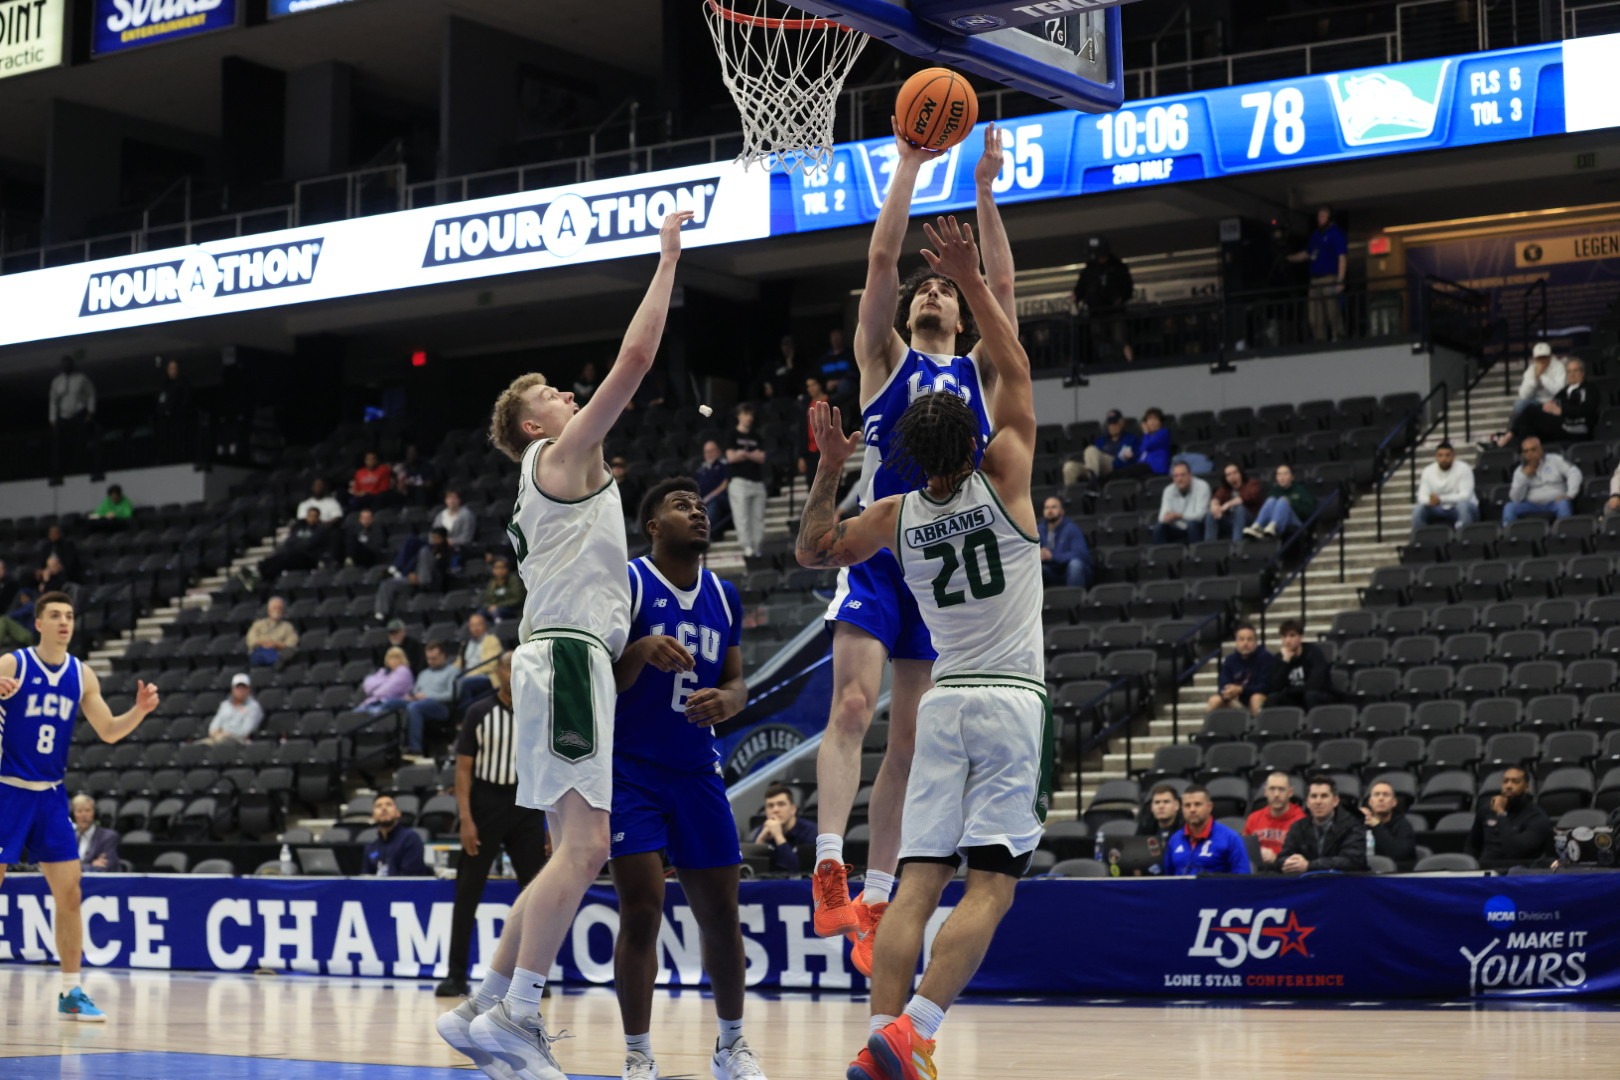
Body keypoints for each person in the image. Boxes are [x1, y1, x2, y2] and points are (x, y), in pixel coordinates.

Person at [442, 209, 693, 1080]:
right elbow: (634, 363)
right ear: (537, 427)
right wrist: (666, 259)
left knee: (562, 855)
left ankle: (483, 1005)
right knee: (588, 851)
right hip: (571, 658)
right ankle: (516, 1014)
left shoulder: (553, 471)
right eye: (551, 393)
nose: (568, 394)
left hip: (553, 657)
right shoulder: (562, 456)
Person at [795, 210, 1036, 1080]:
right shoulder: (1007, 473)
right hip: (991, 675)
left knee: (914, 858)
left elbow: (814, 546)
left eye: (944, 293)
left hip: (918, 608)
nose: (930, 295)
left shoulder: (901, 508)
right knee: (989, 881)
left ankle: (877, 1013)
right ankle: (911, 1020)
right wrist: (971, 247)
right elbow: (1004, 338)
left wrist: (828, 468)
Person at [610, 478, 762, 1080]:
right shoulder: (628, 581)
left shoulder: (724, 595)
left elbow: (737, 679)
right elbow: (604, 677)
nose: (697, 513)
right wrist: (641, 648)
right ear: (653, 525)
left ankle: (731, 1047)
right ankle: (639, 1056)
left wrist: (730, 701)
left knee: (722, 914)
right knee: (642, 909)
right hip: (631, 770)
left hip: (697, 770)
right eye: (681, 506)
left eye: (701, 506)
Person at [0, 591, 160, 1021]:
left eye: (69, 615)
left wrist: (139, 712)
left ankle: (71, 990)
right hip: (6, 790)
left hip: (50, 795)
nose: (64, 622)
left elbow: (108, 730)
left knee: (70, 893)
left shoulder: (82, 674)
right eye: (54, 615)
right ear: (39, 624)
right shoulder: (12, 664)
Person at [437, 651, 550, 999]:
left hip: (527, 803)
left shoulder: (539, 711)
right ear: (498, 672)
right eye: (508, 665)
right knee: (467, 891)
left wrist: (550, 820)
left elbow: (547, 766)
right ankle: (456, 975)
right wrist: (467, 820)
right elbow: (463, 770)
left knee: (534, 893)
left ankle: (532, 978)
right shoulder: (478, 712)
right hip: (486, 804)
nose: (514, 670)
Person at [1491, 357, 1599, 449]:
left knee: (1530, 410)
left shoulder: (1589, 388)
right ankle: (1509, 448)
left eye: (1575, 371)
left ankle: (1506, 438)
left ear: (1582, 373)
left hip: (1576, 427)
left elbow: (1588, 409)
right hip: (1561, 425)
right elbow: (1554, 403)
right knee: (1529, 428)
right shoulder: (1565, 390)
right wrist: (1548, 406)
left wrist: (1561, 411)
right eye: (1569, 371)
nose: (1572, 374)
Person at [1271, 775, 1368, 874]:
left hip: (1342, 884)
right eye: (1314, 796)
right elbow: (1281, 859)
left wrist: (1309, 865)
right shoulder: (1298, 827)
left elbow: (1353, 861)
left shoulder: (1353, 825)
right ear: (1307, 802)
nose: (1318, 801)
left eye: (1324, 796)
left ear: (1335, 801)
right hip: (1308, 885)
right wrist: (1288, 862)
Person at [1465, 764, 1553, 868]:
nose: (1509, 786)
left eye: (1515, 782)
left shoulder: (1537, 816)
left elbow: (1516, 851)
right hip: (1486, 871)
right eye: (1505, 781)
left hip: (1519, 873)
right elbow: (1472, 846)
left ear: (1526, 787)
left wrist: (1501, 814)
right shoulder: (1486, 811)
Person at [1288, 206, 1347, 342]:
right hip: (1314, 280)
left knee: (1332, 310)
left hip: (1329, 278)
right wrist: (1290, 258)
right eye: (1319, 216)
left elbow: (1342, 257)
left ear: (1329, 218)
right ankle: (1319, 338)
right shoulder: (1316, 235)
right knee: (1314, 313)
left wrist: (1340, 280)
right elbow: (1307, 254)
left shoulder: (1335, 233)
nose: (1319, 219)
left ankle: (1339, 335)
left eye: (1323, 216)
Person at [1163, 785, 1251, 875]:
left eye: (1197, 804)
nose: (1192, 809)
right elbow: (1168, 878)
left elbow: (1243, 878)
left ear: (1209, 807)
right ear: (1182, 809)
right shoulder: (1175, 839)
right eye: (1187, 805)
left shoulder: (1230, 838)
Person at [1072, 238, 1134, 363]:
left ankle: (1127, 363)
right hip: (1096, 312)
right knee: (1099, 340)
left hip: (1114, 311)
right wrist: (1077, 297)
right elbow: (1080, 288)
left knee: (1119, 339)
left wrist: (1120, 298)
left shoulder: (1117, 267)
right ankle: (1105, 362)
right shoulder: (1090, 270)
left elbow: (1127, 287)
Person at [1250, 620, 1333, 712]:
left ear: (1301, 637)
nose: (1288, 641)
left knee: (1310, 695)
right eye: (1284, 636)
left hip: (1318, 695)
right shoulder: (1280, 658)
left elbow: (1316, 683)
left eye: (1292, 635)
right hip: (1294, 697)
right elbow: (1275, 687)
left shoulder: (1314, 653)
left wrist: (1290, 690)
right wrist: (1285, 662)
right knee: (1273, 699)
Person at [374, 525, 454, 619]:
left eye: (437, 538)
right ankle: (381, 615)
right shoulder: (429, 549)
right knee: (386, 584)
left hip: (433, 581)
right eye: (433, 538)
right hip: (416, 580)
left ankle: (421, 580)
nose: (434, 541)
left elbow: (444, 570)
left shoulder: (448, 552)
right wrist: (410, 575)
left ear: (443, 539)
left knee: (424, 551)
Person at [1501, 436, 1581, 524]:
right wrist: (1524, 476)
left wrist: (1570, 494)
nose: (1530, 453)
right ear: (1523, 454)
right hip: (1531, 504)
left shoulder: (1555, 460)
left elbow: (1574, 472)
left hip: (1555, 502)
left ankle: (1565, 533)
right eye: (1526, 451)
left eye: (1533, 449)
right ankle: (1509, 535)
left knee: (1563, 505)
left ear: (1541, 449)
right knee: (1509, 507)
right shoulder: (1520, 471)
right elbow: (1515, 498)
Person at [725, 404, 768, 558]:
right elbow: (731, 457)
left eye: (751, 415)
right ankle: (747, 547)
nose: (749, 418)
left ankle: (757, 548)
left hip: (756, 481)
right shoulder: (732, 434)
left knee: (758, 518)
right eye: (746, 414)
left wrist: (744, 454)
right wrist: (751, 455)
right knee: (742, 517)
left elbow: (761, 457)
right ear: (739, 415)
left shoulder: (756, 436)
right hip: (739, 481)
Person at [402, 642, 459, 755]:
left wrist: (428, 696)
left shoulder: (453, 671)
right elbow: (415, 691)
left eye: (434, 658)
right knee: (394, 704)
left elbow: (452, 695)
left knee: (415, 707)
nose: (431, 662)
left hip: (441, 707)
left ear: (443, 655)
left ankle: (415, 748)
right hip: (420, 703)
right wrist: (410, 696)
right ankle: (398, 746)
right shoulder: (424, 673)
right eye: (428, 659)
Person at [1205, 623, 1274, 716]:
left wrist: (1242, 690)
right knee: (1214, 700)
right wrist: (1228, 691)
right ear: (1236, 642)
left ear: (1256, 642)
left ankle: (1258, 729)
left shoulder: (1265, 657)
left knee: (1255, 698)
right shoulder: (1230, 660)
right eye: (1241, 639)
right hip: (1236, 701)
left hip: (1258, 697)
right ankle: (1208, 729)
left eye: (1249, 639)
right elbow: (1223, 684)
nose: (1245, 643)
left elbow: (1265, 686)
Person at [1243, 771, 1305, 866]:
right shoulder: (1253, 818)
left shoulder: (1300, 820)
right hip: (1258, 873)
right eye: (1272, 789)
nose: (1276, 794)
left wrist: (1276, 859)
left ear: (1290, 792)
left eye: (1281, 789)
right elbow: (1244, 850)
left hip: (1286, 874)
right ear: (1265, 792)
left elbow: (1301, 858)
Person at [257, 506, 333, 583]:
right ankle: (261, 574)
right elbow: (289, 541)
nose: (311, 518)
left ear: (318, 518)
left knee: (285, 558)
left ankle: (265, 577)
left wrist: (297, 544)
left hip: (308, 558)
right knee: (273, 559)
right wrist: (298, 544)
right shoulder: (299, 527)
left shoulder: (321, 530)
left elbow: (310, 544)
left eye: (314, 516)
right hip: (293, 554)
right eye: (309, 516)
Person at [1412, 441, 1477, 530]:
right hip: (1438, 508)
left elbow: (1465, 496)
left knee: (1463, 506)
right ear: (1436, 457)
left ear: (1453, 456)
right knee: (1418, 509)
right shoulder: (1428, 471)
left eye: (1447, 455)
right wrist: (1429, 500)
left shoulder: (1464, 468)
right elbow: (1421, 497)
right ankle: (1419, 538)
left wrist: (1441, 499)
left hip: (1460, 508)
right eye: (1440, 455)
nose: (1444, 459)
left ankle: (1463, 538)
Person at [49, 355, 96, 476]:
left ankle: (80, 469)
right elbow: (53, 401)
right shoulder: (57, 381)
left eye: (68, 364)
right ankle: (60, 471)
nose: (66, 366)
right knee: (62, 446)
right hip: (63, 417)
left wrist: (90, 412)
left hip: (79, 414)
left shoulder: (81, 378)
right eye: (64, 364)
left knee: (79, 444)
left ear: (72, 365)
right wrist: (53, 419)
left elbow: (91, 394)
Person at [1243, 464, 1317, 539]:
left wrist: (1291, 504)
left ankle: (1274, 526)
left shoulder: (1300, 489)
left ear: (1292, 476)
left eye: (1285, 474)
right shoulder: (1274, 490)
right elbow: (1268, 510)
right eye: (1279, 474)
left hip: (1296, 522)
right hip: (1274, 523)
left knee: (1282, 501)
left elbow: (1310, 510)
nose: (1282, 477)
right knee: (1271, 500)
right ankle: (1256, 526)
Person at [756, 784, 818, 872]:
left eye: (781, 804)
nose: (775, 810)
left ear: (793, 809)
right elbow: (752, 869)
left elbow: (797, 870)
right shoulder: (762, 830)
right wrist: (761, 839)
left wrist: (778, 836)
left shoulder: (810, 831)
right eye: (770, 806)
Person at [1066, 408, 1138, 486]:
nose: (1112, 427)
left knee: (1091, 449)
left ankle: (1093, 484)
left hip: (1113, 465)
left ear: (1121, 423)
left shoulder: (1131, 439)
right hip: (1096, 468)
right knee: (1069, 467)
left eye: (1115, 423)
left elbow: (1134, 459)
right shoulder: (1101, 440)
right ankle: (1072, 494)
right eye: (1110, 424)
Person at [363, 794, 427, 876]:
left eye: (389, 804)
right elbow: (365, 879)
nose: (384, 808)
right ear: (373, 816)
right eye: (378, 806)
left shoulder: (410, 838)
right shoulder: (371, 847)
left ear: (398, 813)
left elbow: (410, 879)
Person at [1037, 496, 1092, 589]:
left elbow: (1081, 554)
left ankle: (1074, 599)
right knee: (1036, 569)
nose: (1049, 510)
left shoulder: (1071, 529)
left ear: (1062, 511)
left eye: (1053, 507)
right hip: (1051, 571)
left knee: (1075, 565)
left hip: (1068, 571)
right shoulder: (1039, 529)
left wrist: (1052, 556)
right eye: (1047, 507)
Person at [1152, 461, 1211, 544]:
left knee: (1192, 525)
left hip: (1198, 526)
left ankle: (1197, 555)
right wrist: (1167, 518)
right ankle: (1163, 555)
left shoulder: (1202, 486)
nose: (1179, 479)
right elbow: (1162, 517)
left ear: (1190, 475)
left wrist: (1180, 516)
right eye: (1176, 476)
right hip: (1177, 526)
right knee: (1159, 528)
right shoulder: (1168, 490)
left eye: (1183, 475)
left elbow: (1200, 515)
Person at [1361, 779, 1416, 865]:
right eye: (1376, 794)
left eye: (1385, 795)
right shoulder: (1362, 823)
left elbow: (1399, 854)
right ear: (1370, 802)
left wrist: (1377, 825)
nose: (1381, 798)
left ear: (1394, 802)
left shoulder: (1403, 825)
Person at [1511, 342, 1566, 424]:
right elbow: (1523, 395)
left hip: (1554, 401)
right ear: (1534, 359)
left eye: (1544, 357)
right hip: (1537, 402)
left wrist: (1542, 376)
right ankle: (1515, 434)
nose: (1542, 361)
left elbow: (1559, 391)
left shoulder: (1559, 367)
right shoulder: (1531, 370)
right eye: (1539, 358)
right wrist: (1534, 380)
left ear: (1550, 356)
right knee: (1519, 404)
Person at [153, 357, 195, 463]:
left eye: (174, 368)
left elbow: (186, 400)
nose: (172, 371)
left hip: (178, 419)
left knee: (178, 439)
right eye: (170, 368)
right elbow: (161, 400)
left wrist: (177, 411)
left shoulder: (182, 383)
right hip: (166, 420)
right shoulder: (165, 384)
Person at [1208, 462, 1263, 539]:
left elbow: (1250, 496)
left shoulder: (1252, 483)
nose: (1232, 477)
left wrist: (1229, 504)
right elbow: (1217, 497)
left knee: (1239, 509)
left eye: (1235, 473)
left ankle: (1236, 545)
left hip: (1250, 520)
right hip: (1231, 522)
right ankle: (1209, 547)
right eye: (1228, 475)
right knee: (1211, 513)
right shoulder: (1225, 488)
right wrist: (1214, 505)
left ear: (1241, 473)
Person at [458, 612, 503, 705]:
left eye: (478, 625)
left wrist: (469, 674)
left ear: (484, 626)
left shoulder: (492, 640)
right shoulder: (466, 643)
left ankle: (467, 715)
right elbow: (458, 663)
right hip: (467, 676)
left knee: (465, 684)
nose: (475, 628)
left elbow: (490, 665)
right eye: (472, 625)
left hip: (486, 677)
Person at [206, 673, 264, 743]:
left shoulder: (253, 707)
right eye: (238, 687)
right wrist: (217, 733)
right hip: (219, 738)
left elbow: (245, 731)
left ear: (248, 689)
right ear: (232, 689)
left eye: (243, 687)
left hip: (240, 741)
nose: (240, 690)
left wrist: (226, 733)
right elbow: (214, 726)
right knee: (199, 746)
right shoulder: (225, 705)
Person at [71, 793, 119, 873]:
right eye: (79, 811)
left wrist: (76, 867)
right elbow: (62, 866)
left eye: (87, 810)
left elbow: (104, 868)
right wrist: (90, 865)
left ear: (95, 814)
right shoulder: (69, 838)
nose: (83, 815)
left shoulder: (108, 837)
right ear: (73, 815)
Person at [245, 596, 298, 667]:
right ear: (268, 610)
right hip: (259, 652)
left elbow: (291, 644)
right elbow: (251, 641)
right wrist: (265, 643)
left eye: (279, 608)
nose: (277, 610)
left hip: (278, 653)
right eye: (274, 607)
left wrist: (275, 644)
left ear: (283, 610)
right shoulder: (258, 624)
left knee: (288, 653)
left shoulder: (288, 626)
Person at [696, 438, 733, 538]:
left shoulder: (724, 465)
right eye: (706, 452)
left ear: (718, 451)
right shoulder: (701, 471)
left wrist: (709, 497)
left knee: (713, 504)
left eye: (711, 451)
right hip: (704, 501)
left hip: (721, 499)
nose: (709, 454)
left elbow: (725, 484)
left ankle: (704, 534)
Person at [1135, 783, 1185, 848]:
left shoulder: (1186, 827)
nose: (1161, 806)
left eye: (1166, 802)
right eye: (1157, 802)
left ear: (1177, 805)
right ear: (1151, 807)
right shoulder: (1145, 825)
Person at [480, 556, 527, 623]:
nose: (499, 570)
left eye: (502, 567)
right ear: (493, 570)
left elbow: (517, 599)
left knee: (496, 612)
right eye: (496, 568)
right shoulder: (492, 582)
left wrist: (497, 606)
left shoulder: (513, 580)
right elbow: (486, 600)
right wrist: (489, 606)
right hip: (494, 608)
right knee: (479, 614)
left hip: (512, 610)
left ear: (507, 569)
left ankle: (499, 630)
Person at [819, 327, 856, 393]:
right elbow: (820, 376)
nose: (835, 339)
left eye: (837, 337)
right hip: (829, 388)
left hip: (846, 386)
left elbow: (854, 373)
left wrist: (837, 382)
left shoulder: (850, 355)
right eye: (833, 337)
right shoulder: (824, 358)